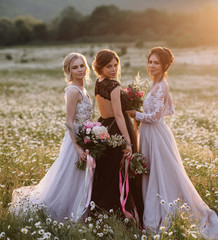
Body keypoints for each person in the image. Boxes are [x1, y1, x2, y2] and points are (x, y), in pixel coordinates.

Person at [127, 47, 218, 239]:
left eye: (156, 63)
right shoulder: (157, 84)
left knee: (161, 174)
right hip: (151, 133)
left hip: (155, 135)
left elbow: (156, 117)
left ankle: (165, 215)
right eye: (150, 62)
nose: (152, 66)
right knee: (155, 172)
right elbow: (169, 109)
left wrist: (135, 114)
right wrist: (148, 108)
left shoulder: (162, 85)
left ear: (165, 66)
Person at [10, 52, 93, 221]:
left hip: (87, 137)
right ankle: (63, 213)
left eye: (82, 65)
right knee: (70, 176)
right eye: (75, 67)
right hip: (75, 140)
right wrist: (77, 147)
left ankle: (80, 210)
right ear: (69, 71)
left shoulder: (83, 89)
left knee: (80, 177)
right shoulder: (72, 91)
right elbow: (69, 121)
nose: (79, 70)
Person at [91, 49, 143, 224]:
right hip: (116, 129)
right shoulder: (113, 85)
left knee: (106, 171)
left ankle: (100, 209)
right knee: (118, 172)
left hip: (103, 127)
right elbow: (119, 115)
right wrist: (128, 142)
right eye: (109, 66)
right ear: (100, 67)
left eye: (115, 65)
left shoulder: (99, 82)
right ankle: (120, 212)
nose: (113, 69)